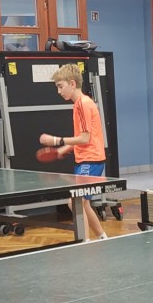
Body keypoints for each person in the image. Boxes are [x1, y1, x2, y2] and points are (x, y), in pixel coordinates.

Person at [38, 63, 109, 241]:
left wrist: (56, 140)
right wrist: (63, 149)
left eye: (60, 86)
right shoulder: (79, 104)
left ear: (72, 83)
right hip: (86, 160)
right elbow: (81, 137)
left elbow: (85, 139)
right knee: (83, 203)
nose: (59, 91)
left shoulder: (83, 104)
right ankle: (103, 237)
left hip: (90, 161)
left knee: (75, 202)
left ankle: (84, 243)